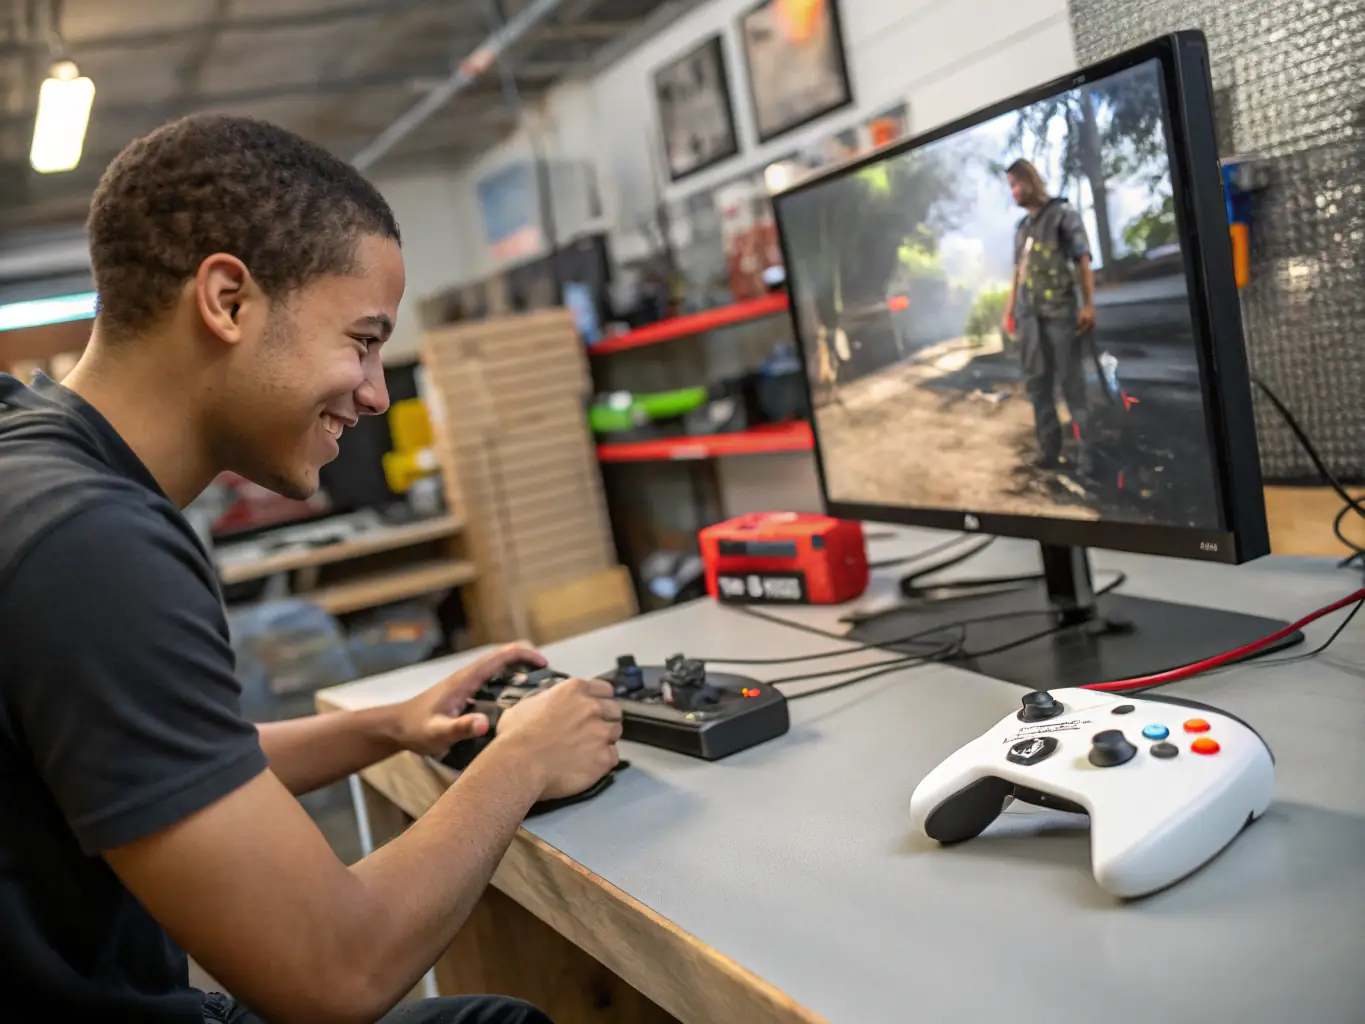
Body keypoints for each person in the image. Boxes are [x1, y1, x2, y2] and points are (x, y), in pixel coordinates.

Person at [0, 114, 623, 1024]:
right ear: (227, 301)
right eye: (362, 341)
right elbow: (333, 975)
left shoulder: (35, 463)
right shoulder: (91, 543)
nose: (375, 392)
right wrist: (521, 760)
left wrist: (385, 728)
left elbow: (138, 758)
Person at [1001, 158, 1097, 470]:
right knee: (1038, 386)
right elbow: (1018, 273)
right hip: (1030, 319)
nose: (1014, 191)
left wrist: (1088, 304)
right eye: (1010, 186)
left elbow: (1083, 259)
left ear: (1031, 180)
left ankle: (1087, 456)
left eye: (1017, 184)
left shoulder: (1062, 214)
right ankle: (1049, 451)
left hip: (1061, 314)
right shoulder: (1022, 229)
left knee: (1072, 386)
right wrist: (1009, 311)